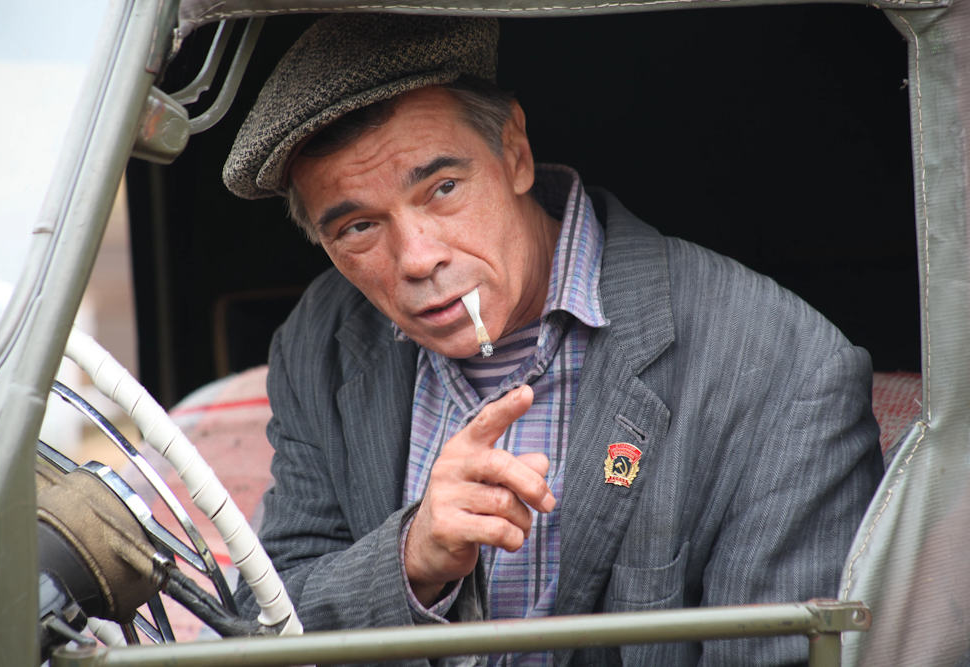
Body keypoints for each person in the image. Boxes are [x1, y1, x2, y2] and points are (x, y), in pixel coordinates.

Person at [222, 14, 883, 665]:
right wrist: (410, 559)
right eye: (359, 228)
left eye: (443, 188)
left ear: (514, 152)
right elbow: (262, 617)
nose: (418, 258)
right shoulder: (324, 339)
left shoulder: (779, 366)